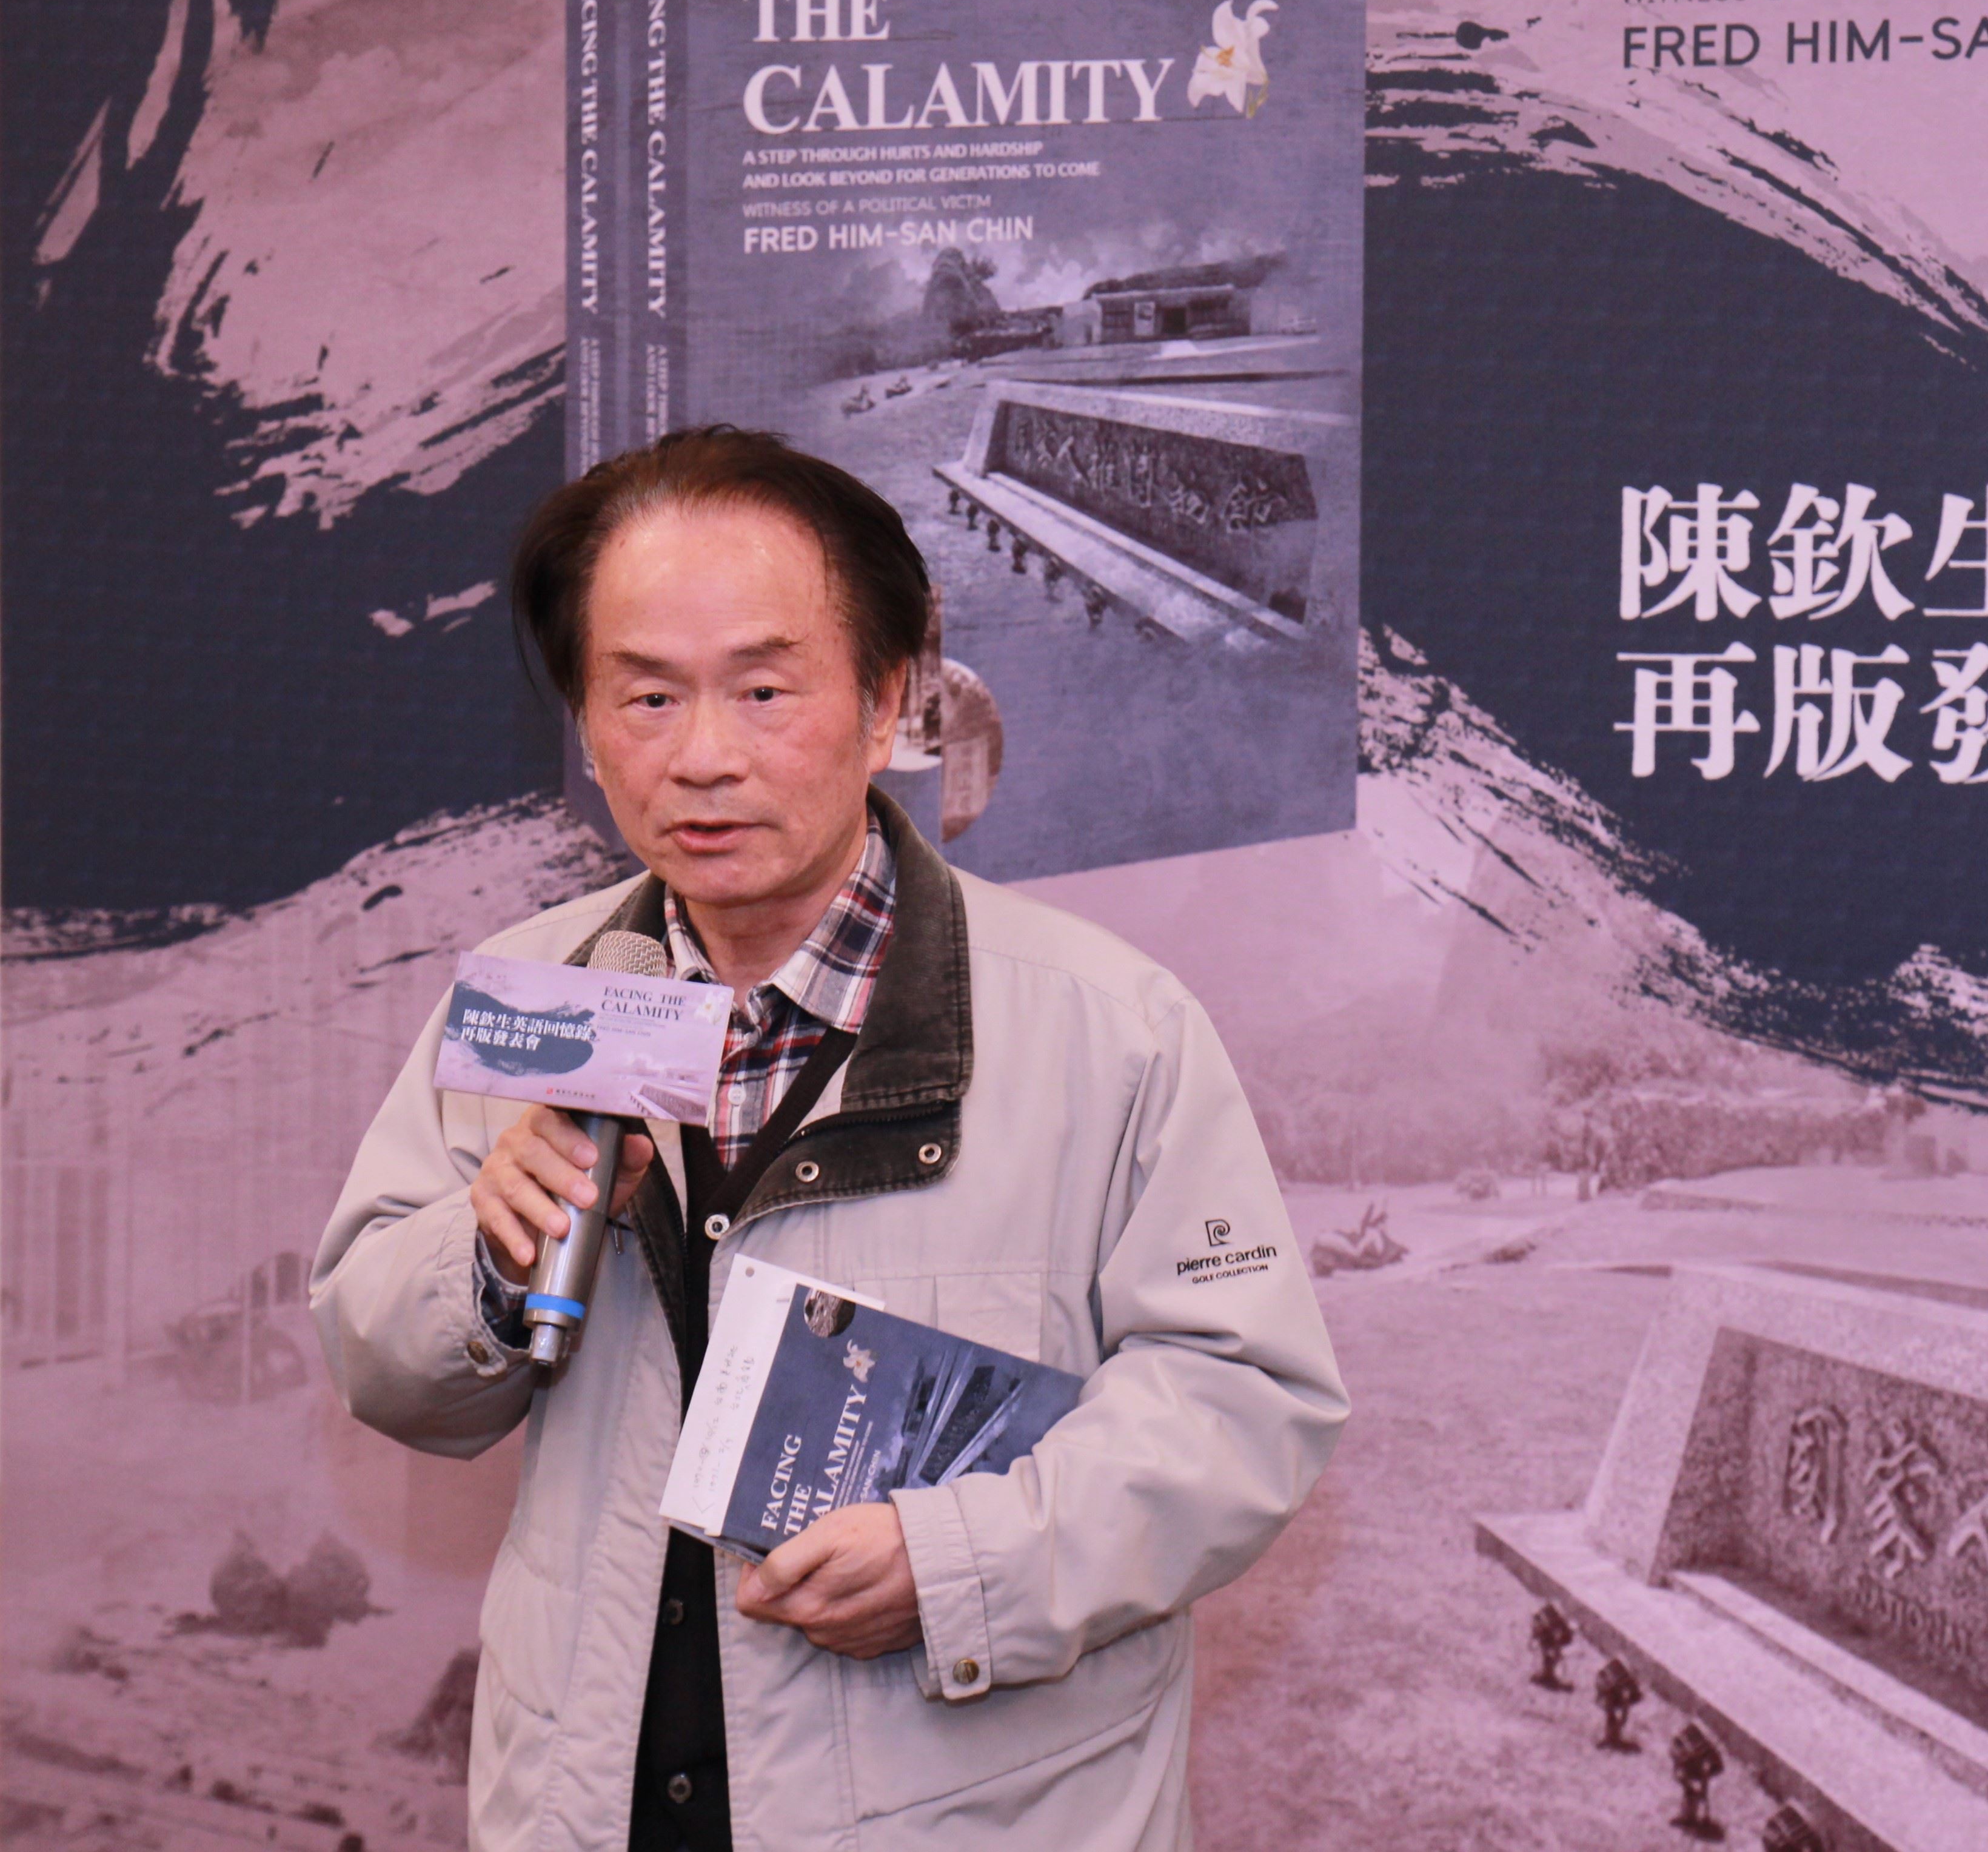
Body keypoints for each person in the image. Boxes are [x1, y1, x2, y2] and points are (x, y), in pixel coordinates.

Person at [310, 428, 1347, 1852]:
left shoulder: (1111, 1027)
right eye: (647, 697)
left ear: (886, 701)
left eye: (763, 689)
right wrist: (487, 1261)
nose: (704, 758)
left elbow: (1243, 1401)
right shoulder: (531, 1000)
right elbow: (381, 1360)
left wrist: (961, 1560)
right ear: (587, 729)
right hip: (592, 1805)